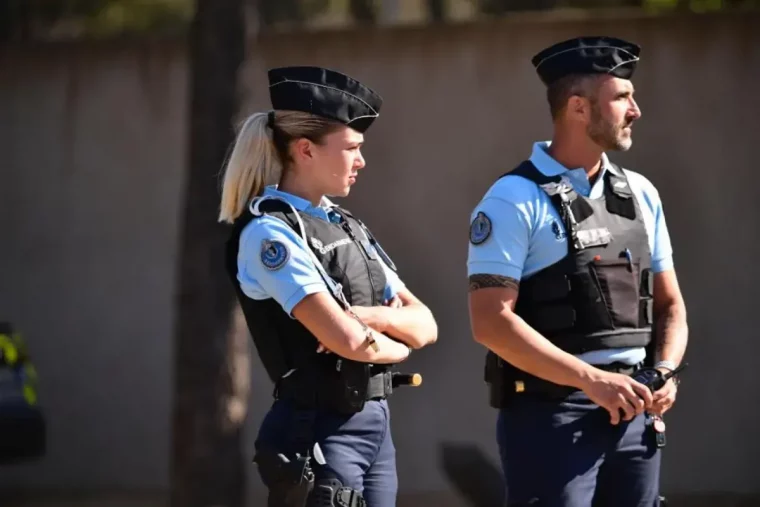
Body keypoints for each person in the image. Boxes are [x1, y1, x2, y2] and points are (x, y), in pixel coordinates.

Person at [466, 37, 689, 507]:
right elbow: (489, 322)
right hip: (552, 419)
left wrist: (664, 371)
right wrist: (591, 382)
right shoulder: (512, 199)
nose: (636, 110)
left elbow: (670, 307)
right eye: (622, 97)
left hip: (636, 415)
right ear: (578, 108)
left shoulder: (642, 193)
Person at [219, 66, 438, 507]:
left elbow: (426, 323)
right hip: (318, 428)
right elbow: (348, 340)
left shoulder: (344, 225)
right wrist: (395, 346)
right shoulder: (271, 234)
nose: (362, 160)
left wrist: (372, 318)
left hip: (374, 423)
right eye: (352, 148)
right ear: (305, 150)